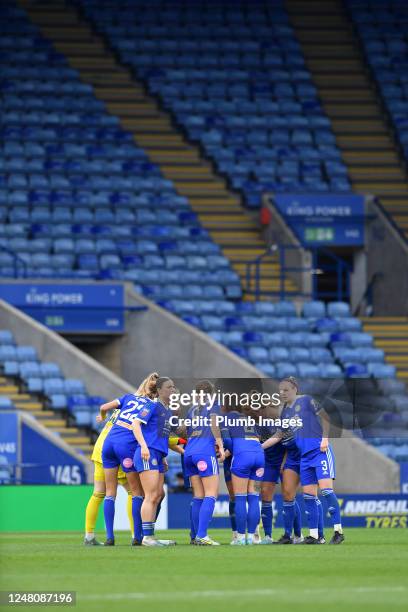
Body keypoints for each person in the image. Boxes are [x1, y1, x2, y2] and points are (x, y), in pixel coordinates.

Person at [100, 372, 159, 546]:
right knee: (136, 492)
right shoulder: (151, 406)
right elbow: (139, 427)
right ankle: (137, 537)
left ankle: (109, 537)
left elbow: (104, 407)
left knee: (110, 493)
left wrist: (102, 418)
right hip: (126, 445)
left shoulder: (127, 398)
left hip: (108, 443)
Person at [132, 377, 182, 546]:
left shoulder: (167, 411)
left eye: (174, 387)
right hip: (147, 453)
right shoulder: (152, 405)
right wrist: (144, 446)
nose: (173, 390)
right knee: (151, 495)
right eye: (169, 387)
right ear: (159, 390)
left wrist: (164, 456)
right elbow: (135, 424)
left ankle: (150, 535)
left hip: (158, 455)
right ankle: (146, 537)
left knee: (159, 494)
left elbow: (163, 437)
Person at [84, 405, 133, 546]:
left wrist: (103, 415)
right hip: (118, 448)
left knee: (98, 493)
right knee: (133, 492)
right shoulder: (141, 409)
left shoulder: (123, 406)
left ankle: (89, 535)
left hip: (101, 448)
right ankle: (136, 535)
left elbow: (104, 411)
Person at [183, 380, 225, 546]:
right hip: (204, 453)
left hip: (189, 453)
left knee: (198, 496)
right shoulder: (214, 404)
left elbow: (185, 430)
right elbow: (214, 424)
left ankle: (194, 536)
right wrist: (220, 444)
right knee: (211, 494)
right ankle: (202, 535)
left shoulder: (192, 409)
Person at [223, 403, 265, 546]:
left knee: (240, 498)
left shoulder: (226, 418)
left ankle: (240, 538)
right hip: (259, 456)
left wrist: (234, 451)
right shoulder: (248, 419)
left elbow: (227, 440)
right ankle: (252, 537)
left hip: (242, 456)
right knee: (254, 498)